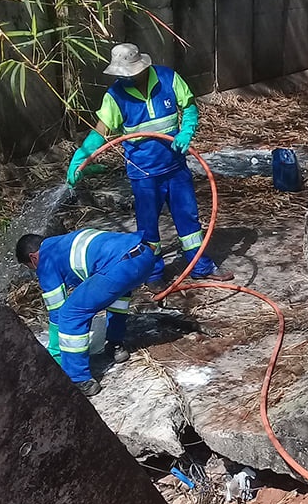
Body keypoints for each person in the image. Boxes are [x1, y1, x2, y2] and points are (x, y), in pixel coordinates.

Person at [66, 42, 233, 287]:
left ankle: (199, 265)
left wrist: (186, 131)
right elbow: (100, 133)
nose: (126, 78)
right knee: (148, 228)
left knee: (189, 220)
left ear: (142, 67)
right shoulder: (115, 97)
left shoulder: (168, 79)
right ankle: (153, 274)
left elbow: (188, 106)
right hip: (143, 174)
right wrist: (81, 158)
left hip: (175, 167)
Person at [16, 229, 155, 396]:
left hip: (118, 267)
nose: (35, 271)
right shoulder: (63, 241)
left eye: (31, 268)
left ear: (33, 258)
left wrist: (55, 352)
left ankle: (79, 379)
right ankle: (116, 346)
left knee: (71, 313)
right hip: (143, 255)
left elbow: (57, 310)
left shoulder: (45, 259)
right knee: (118, 296)